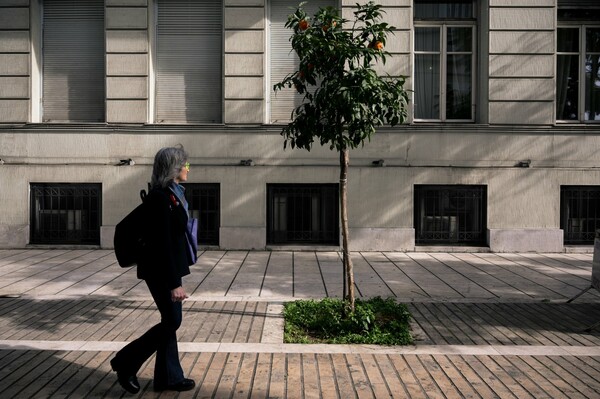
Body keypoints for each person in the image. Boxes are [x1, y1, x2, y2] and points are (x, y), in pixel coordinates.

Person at [110, 145, 195, 393]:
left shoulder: (172, 194)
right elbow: (163, 244)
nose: (188, 168)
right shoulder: (161, 198)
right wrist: (174, 284)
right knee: (172, 321)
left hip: (165, 268)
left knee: (170, 320)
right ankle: (125, 362)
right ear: (174, 168)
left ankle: (169, 377)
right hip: (160, 270)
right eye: (185, 164)